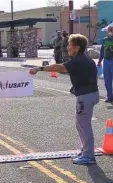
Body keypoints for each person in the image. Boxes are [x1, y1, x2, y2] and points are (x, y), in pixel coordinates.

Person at [30, 34, 99, 165]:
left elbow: (59, 67)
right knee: (81, 125)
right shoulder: (85, 58)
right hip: (89, 94)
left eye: (70, 45)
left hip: (85, 96)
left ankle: (88, 155)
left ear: (77, 47)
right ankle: (85, 151)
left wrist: (39, 69)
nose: (67, 47)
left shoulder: (78, 60)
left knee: (84, 126)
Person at [98, 26, 113, 103]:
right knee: (107, 80)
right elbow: (102, 52)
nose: (110, 31)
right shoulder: (104, 40)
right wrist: (99, 61)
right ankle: (109, 97)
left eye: (111, 30)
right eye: (109, 30)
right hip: (106, 62)